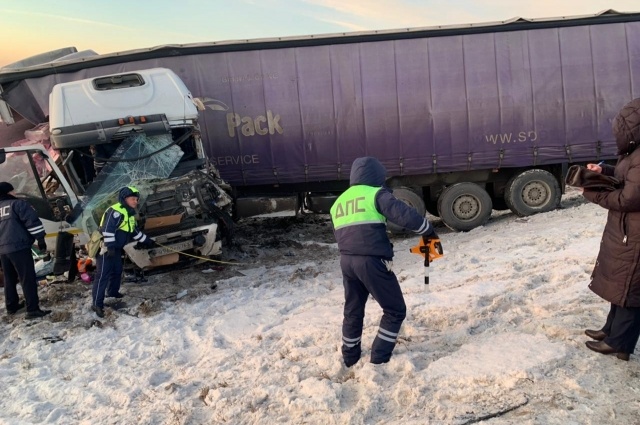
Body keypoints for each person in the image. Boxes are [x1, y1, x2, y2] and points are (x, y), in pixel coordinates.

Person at [330, 157, 439, 367]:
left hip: (347, 262)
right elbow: (404, 214)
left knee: (353, 309)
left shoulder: (339, 202)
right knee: (395, 310)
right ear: (376, 176)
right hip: (372, 261)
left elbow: (337, 233)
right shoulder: (375, 194)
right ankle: (379, 358)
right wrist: (428, 231)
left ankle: (350, 357)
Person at [582, 97, 640, 362]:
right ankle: (610, 331)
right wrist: (602, 171)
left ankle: (620, 344)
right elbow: (624, 176)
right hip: (627, 231)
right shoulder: (634, 153)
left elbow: (629, 198)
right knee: (621, 284)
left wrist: (593, 194)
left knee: (631, 289)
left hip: (636, 235)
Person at [91, 186, 156, 317]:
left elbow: (135, 232)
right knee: (102, 275)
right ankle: (97, 304)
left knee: (117, 271)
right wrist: (109, 247)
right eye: (133, 199)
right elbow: (107, 229)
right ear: (124, 199)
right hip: (105, 249)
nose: (136, 202)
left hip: (115, 249)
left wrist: (148, 241)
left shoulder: (129, 214)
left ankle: (113, 292)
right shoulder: (115, 211)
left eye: (137, 199)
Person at [0, 181, 51, 318]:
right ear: (7, 193)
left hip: (3, 251)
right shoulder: (17, 204)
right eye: (12, 191)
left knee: (9, 278)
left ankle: (12, 306)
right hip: (19, 247)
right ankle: (32, 309)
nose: (15, 193)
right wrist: (40, 238)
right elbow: (32, 222)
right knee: (27, 277)